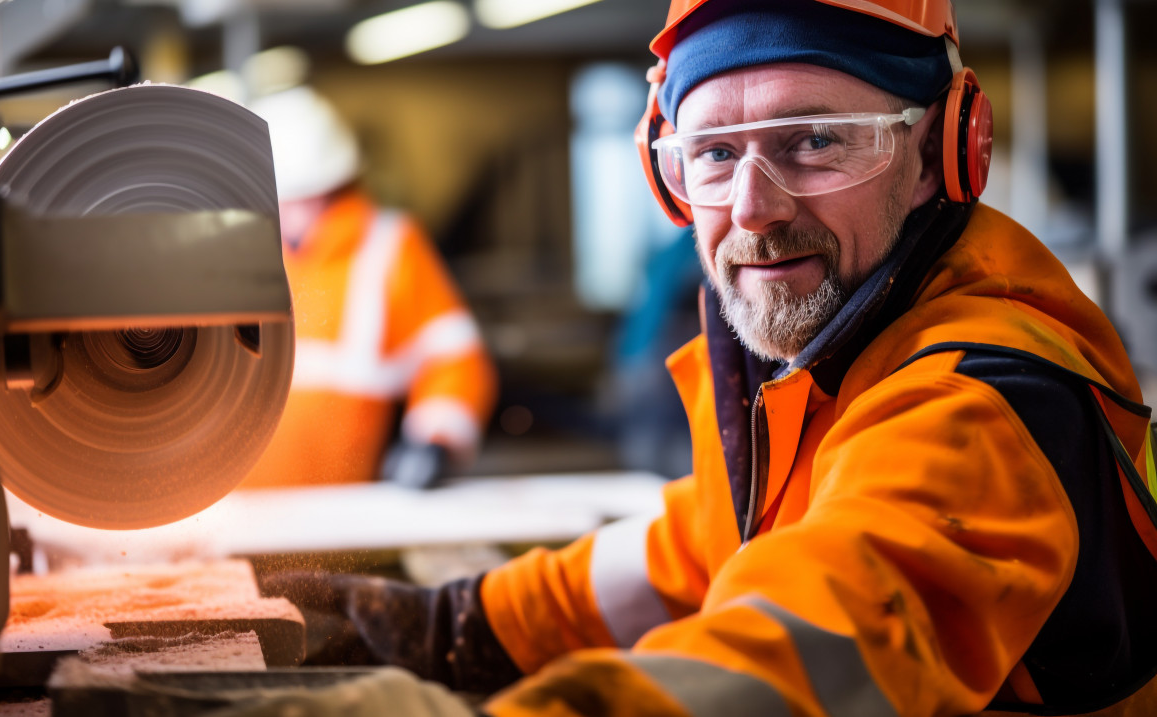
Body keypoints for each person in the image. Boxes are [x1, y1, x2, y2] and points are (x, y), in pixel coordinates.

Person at [255, 2, 1157, 715]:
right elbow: (694, 548)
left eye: (815, 141)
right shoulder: (829, 359)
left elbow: (787, 656)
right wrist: (458, 625)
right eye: (715, 154)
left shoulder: (981, 404)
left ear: (937, 155)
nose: (753, 208)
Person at [238, 63, 497, 489]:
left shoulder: (389, 246)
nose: (289, 213)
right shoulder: (230, 249)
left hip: (348, 508)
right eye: (277, 199)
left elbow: (455, 360)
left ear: (335, 185)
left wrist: (436, 438)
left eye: (304, 197)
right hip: (230, 508)